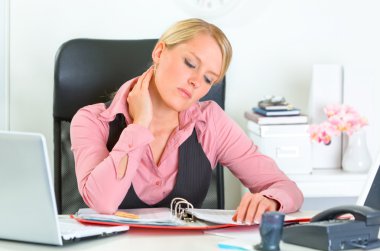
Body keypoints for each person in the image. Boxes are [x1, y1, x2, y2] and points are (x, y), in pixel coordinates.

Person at [70, 18, 303, 225]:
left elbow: (288, 190)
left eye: (208, 79)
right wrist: (139, 125)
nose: (195, 82)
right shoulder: (92, 121)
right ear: (160, 52)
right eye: (190, 64)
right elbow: (103, 202)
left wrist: (270, 200)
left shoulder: (210, 122)